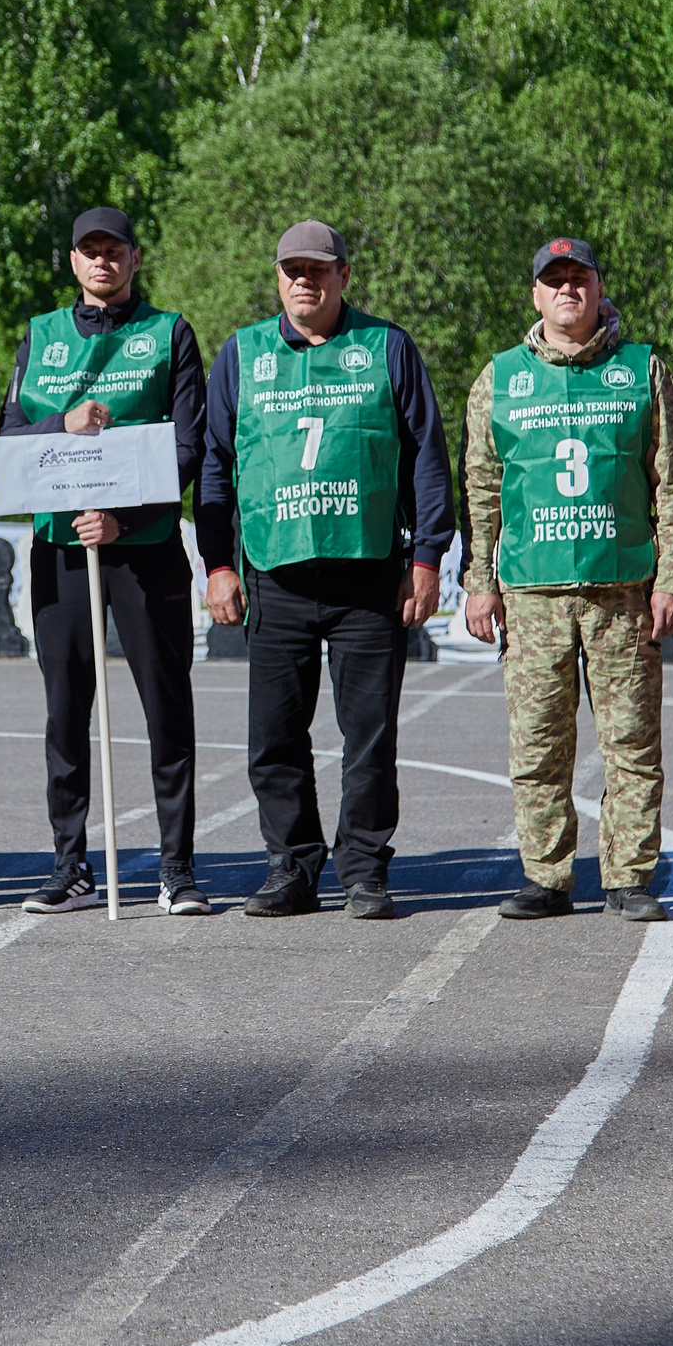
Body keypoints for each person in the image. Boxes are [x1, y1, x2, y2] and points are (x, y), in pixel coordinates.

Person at [201, 220, 453, 919]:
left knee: (368, 734)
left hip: (368, 573)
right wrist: (218, 562)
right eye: (292, 271)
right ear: (277, 278)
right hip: (275, 575)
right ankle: (292, 868)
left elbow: (427, 456)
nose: (303, 282)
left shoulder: (386, 347)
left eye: (318, 270)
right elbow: (216, 469)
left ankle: (365, 869)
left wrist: (428, 556)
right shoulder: (243, 354)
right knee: (274, 738)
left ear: (344, 274)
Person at [464, 237, 673, 922]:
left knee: (630, 744)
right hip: (534, 593)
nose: (568, 289)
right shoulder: (500, 377)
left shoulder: (642, 369)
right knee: (537, 744)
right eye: (554, 280)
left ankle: (628, 877)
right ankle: (546, 875)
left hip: (622, 591)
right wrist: (480, 580)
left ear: (598, 289)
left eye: (579, 278)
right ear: (535, 294)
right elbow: (482, 487)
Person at [1, 206, 210, 916]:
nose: (103, 263)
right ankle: (70, 865)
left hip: (144, 550)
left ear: (134, 258)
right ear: (72, 262)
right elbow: (7, 441)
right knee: (65, 714)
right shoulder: (41, 334)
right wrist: (62, 422)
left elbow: (189, 447)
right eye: (90, 252)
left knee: (166, 709)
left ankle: (177, 868)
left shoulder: (170, 333)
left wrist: (126, 518)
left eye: (114, 251)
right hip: (61, 548)